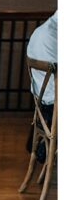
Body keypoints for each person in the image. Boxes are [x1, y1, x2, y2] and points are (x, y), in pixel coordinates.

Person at [26, 11, 57, 161]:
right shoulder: (55, 35)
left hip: (43, 106)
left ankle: (45, 147)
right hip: (54, 109)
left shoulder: (42, 31)